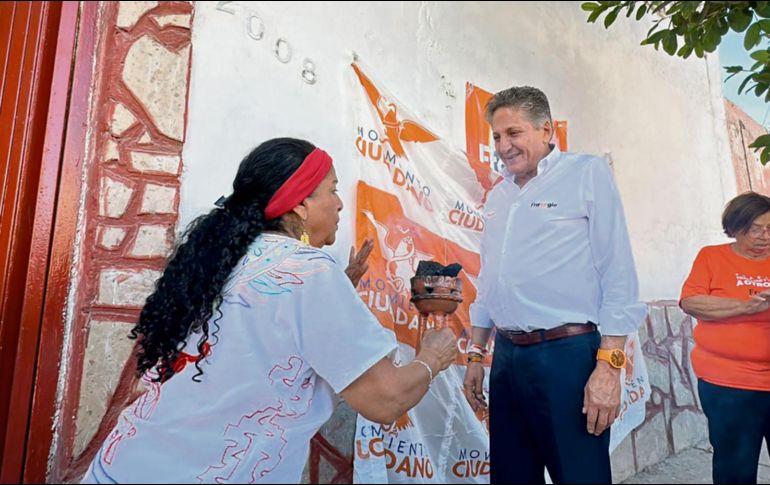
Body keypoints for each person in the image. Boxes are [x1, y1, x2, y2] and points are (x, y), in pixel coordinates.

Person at [81, 138, 458, 484]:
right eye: (332, 190)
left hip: (122, 467)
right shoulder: (309, 270)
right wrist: (432, 357)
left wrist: (338, 288)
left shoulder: (216, 259)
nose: (340, 203)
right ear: (299, 204)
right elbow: (385, 399)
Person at [462, 87, 646, 484]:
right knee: (511, 476)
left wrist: (608, 368)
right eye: (496, 136)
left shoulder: (586, 173)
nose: (503, 146)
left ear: (546, 130)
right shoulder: (499, 195)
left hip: (569, 356)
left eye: (514, 133)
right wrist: (476, 355)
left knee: (579, 475)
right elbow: (489, 281)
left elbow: (618, 273)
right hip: (508, 358)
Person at [680, 192, 770, 485]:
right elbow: (692, 302)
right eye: (754, 229)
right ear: (735, 227)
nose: (763, 236)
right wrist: (747, 307)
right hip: (728, 383)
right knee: (735, 468)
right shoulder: (712, 257)